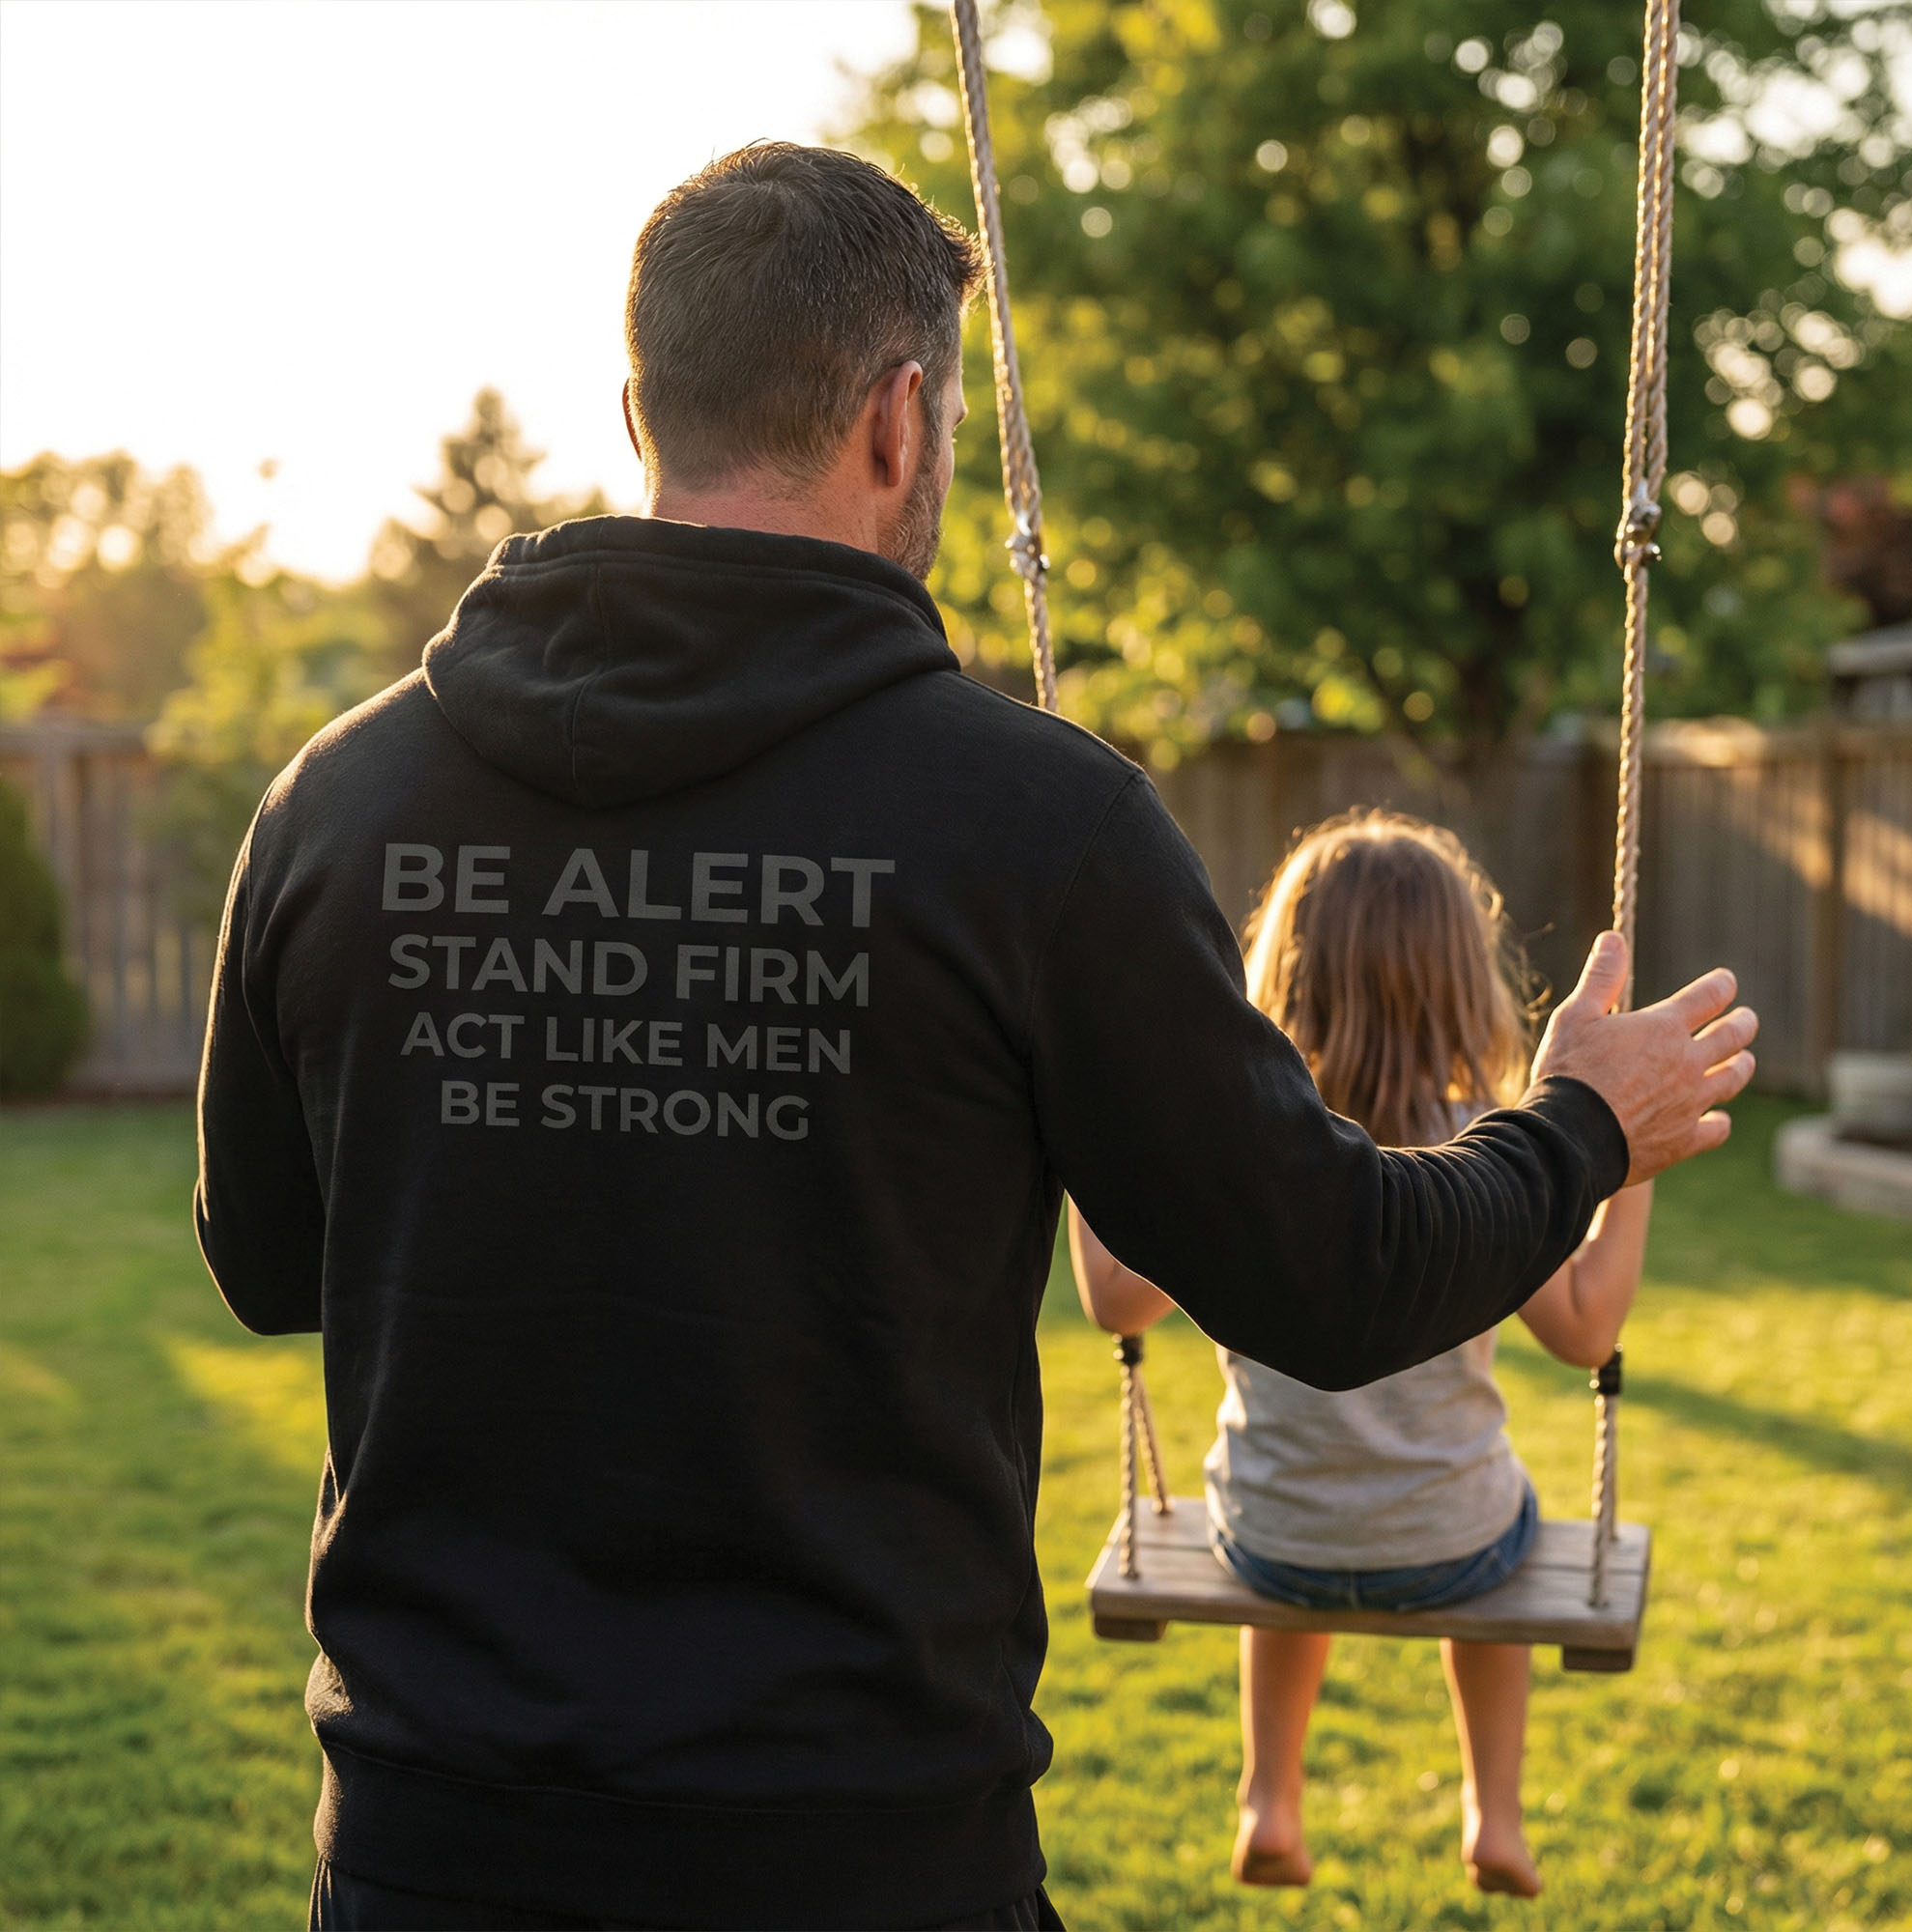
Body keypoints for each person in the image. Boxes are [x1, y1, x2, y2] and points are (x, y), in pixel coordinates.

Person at [193, 143, 1755, 1932]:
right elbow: (1338, 1284)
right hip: (859, 1856)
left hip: (429, 1852)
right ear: (901, 420)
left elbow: (267, 1264)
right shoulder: (1034, 827)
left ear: (640, 411)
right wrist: (1579, 1125)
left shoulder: (337, 804)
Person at [1072, 811, 1656, 1900]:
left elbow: (1115, 1300)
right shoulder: (1496, 1150)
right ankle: (1494, 1814)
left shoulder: (1244, 1150)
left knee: (1293, 1551)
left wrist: (1085, 1114)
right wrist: (1625, 1163)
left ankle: (1269, 1795)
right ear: (1460, 979)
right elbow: (1585, 1327)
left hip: (1270, 1539)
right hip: (1452, 1543)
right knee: (1507, 1521)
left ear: (1278, 971)